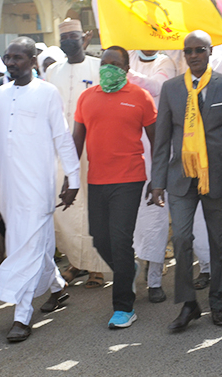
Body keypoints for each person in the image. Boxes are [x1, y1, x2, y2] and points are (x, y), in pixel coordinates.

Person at [151, 30, 222, 331]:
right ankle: (189, 304)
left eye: (199, 50)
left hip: (219, 180)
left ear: (210, 52)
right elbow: (162, 139)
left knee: (221, 242)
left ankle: (218, 300)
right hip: (180, 177)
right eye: (188, 51)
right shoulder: (171, 88)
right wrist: (157, 181)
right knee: (181, 239)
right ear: (184, 55)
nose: (193, 55)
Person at [0, 37, 80, 343]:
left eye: (18, 58)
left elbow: (62, 137)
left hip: (38, 187)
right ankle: (57, 287)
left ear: (32, 61)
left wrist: (74, 178)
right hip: (9, 189)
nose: (11, 63)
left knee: (25, 247)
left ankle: (22, 315)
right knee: (29, 244)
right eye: (7, 58)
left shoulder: (47, 93)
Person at [72, 46, 157, 328]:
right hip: (96, 179)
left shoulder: (140, 97)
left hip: (130, 178)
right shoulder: (86, 97)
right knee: (100, 238)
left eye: (114, 65)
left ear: (125, 69)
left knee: (121, 239)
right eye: (103, 64)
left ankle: (124, 307)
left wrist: (158, 178)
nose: (107, 68)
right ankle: (127, 268)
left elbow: (156, 140)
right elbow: (77, 140)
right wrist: (69, 177)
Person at [46, 19, 109, 288]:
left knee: (94, 206)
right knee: (67, 209)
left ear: (84, 37)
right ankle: (75, 262)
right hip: (63, 150)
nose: (68, 41)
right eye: (64, 38)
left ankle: (97, 268)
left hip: (94, 146)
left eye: (73, 36)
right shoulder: (52, 71)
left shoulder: (98, 67)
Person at [127, 49, 176, 303]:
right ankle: (129, 275)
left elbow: (156, 86)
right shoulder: (127, 56)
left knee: (155, 218)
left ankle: (155, 278)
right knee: (129, 221)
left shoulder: (164, 61)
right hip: (127, 152)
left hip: (156, 147)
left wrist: (125, 71)